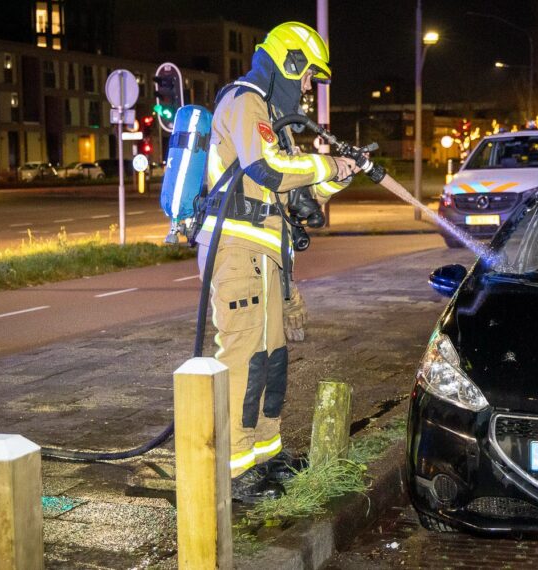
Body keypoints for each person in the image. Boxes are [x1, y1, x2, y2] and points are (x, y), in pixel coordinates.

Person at [195, 21, 361, 503]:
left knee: (272, 362)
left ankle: (265, 457)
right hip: (234, 250)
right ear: (289, 64)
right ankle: (234, 468)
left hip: (266, 256)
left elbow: (298, 198)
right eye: (308, 76)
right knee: (245, 360)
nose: (308, 88)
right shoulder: (244, 101)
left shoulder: (272, 120)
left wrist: (340, 173)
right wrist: (325, 163)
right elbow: (268, 169)